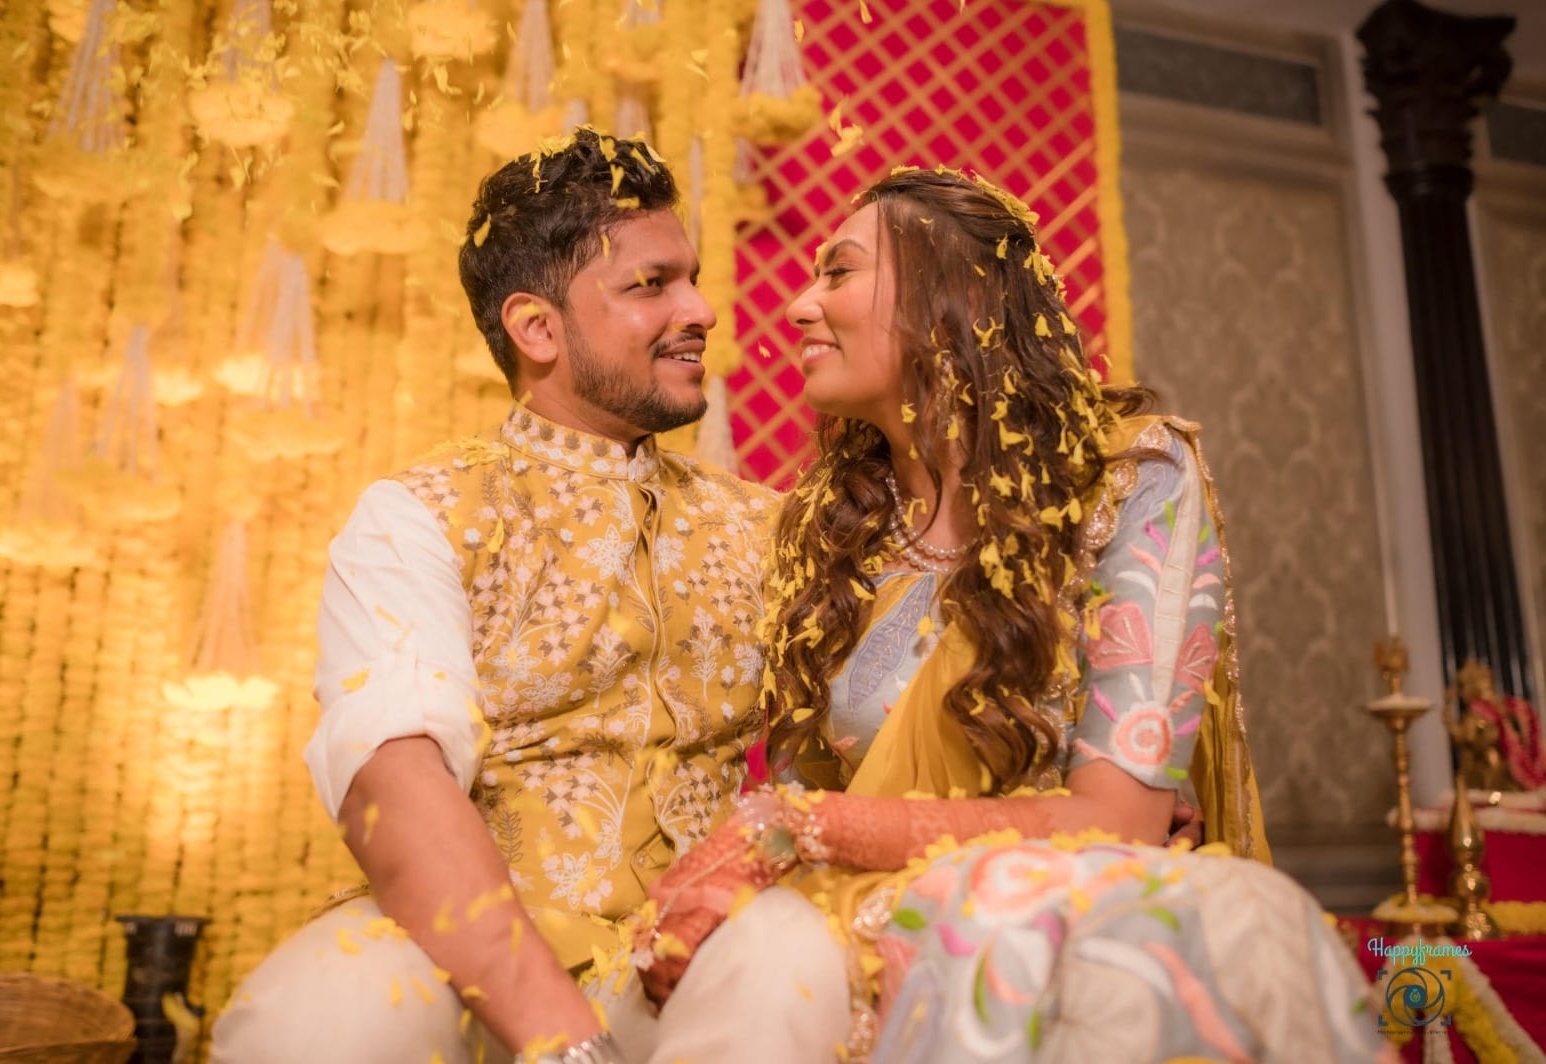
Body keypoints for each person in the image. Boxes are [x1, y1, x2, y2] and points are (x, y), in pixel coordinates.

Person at [633, 166, 1391, 1063]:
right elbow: (807, 792)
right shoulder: (826, 532)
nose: (798, 306)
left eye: (838, 271)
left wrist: (803, 826)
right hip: (848, 923)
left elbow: (1119, 823)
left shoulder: (1128, 481)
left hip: (1051, 914)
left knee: (1203, 928)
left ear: (951, 297)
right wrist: (791, 830)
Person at [210, 128, 852, 1064]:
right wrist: (565, 1044)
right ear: (537, 328)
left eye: (692, 279)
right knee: (331, 1008)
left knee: (787, 951)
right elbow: (395, 780)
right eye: (651, 285)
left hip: (692, 948)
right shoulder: (419, 516)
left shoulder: (767, 524)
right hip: (466, 946)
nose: (702, 310)